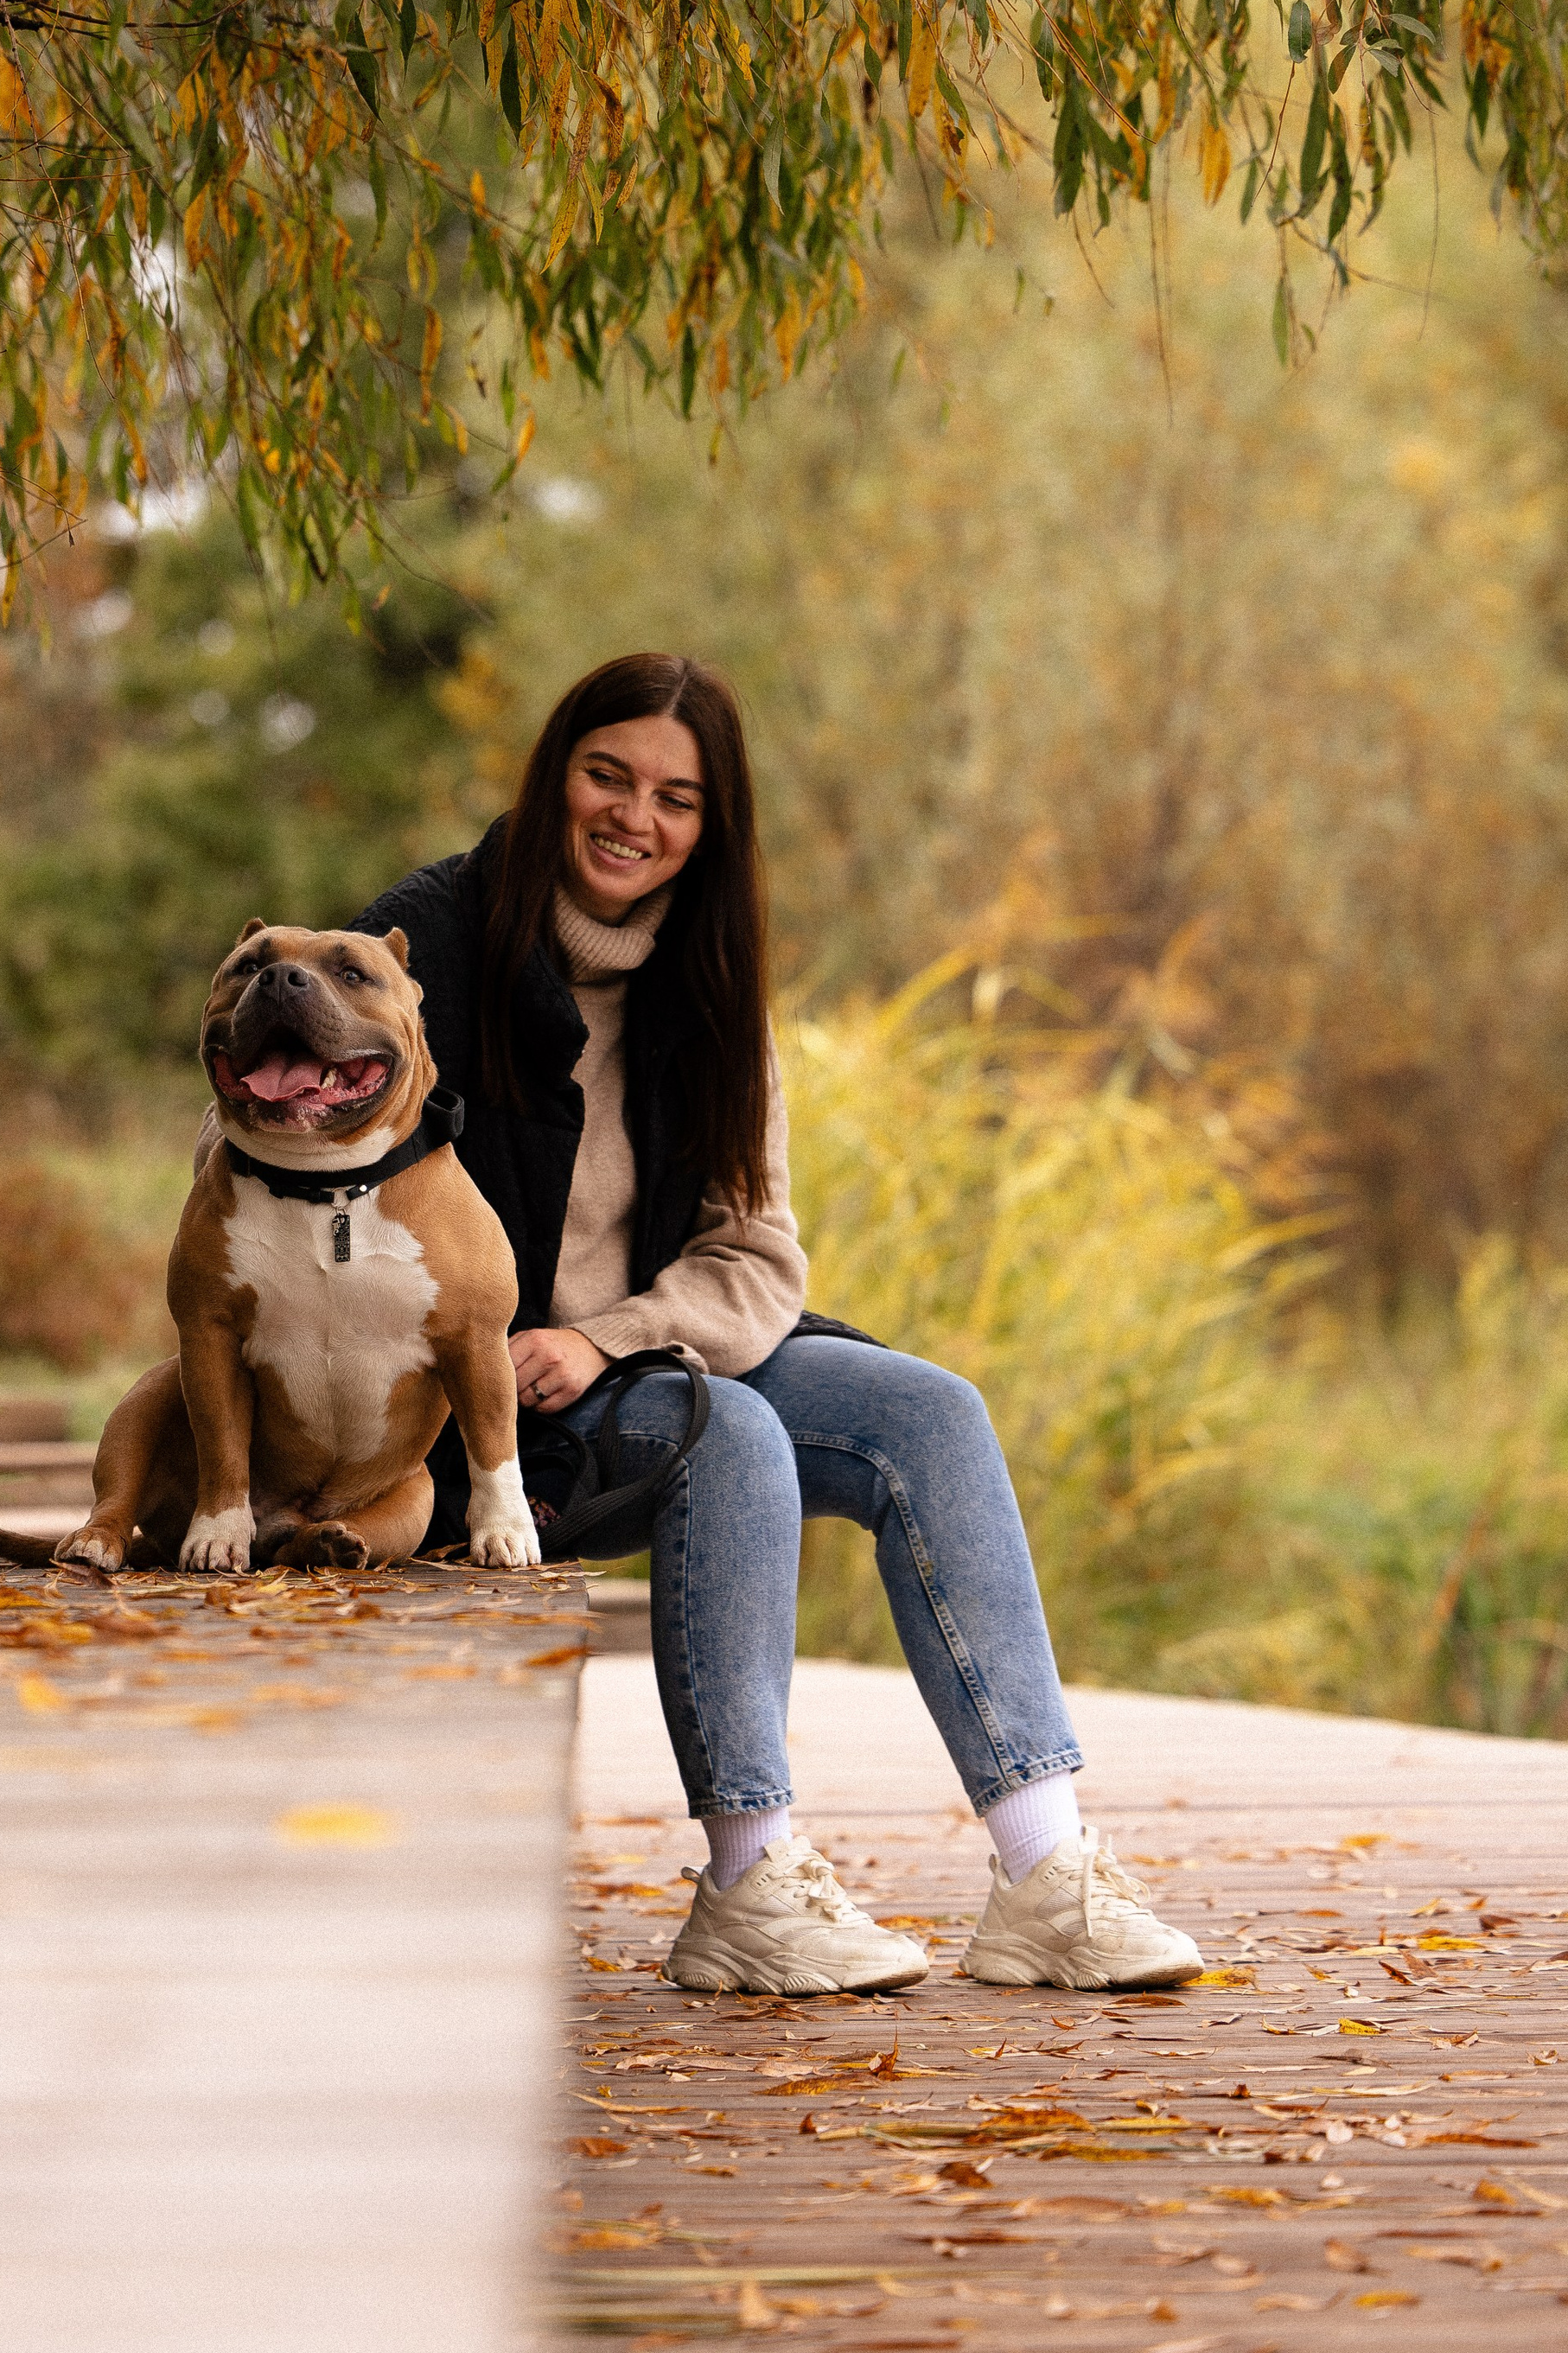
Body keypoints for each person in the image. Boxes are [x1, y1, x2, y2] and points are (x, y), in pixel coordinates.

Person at [355, 651, 1200, 1996]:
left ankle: (1046, 1871)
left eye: (677, 797)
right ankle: (750, 1878)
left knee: (930, 1410)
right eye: (608, 774)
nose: (635, 815)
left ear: (713, 824)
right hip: (476, 1416)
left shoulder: (710, 982)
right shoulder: (434, 942)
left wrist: (614, 1334)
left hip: (629, 1362)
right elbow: (295, 1152)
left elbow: (757, 1255)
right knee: (730, 1425)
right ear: (556, 773)